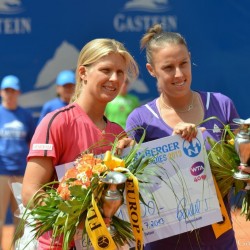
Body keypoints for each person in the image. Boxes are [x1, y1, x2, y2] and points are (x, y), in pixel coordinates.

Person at [126, 24, 240, 249]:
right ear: (151, 70)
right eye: (168, 67)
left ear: (190, 59)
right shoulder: (140, 120)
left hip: (220, 242)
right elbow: (132, 188)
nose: (178, 74)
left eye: (183, 64)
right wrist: (172, 147)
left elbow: (242, 167)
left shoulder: (221, 105)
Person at [21, 38, 139, 249]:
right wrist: (78, 216)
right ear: (83, 73)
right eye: (106, 70)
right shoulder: (56, 122)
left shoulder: (119, 134)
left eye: (120, 72)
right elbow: (30, 191)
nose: (114, 78)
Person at [0, 75, 36, 249]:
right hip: (1, 172)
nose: (10, 94)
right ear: (1, 92)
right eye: (7, 90)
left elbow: (32, 143)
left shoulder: (26, 115)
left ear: (18, 93)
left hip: (22, 173)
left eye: (13, 91)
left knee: (21, 218)